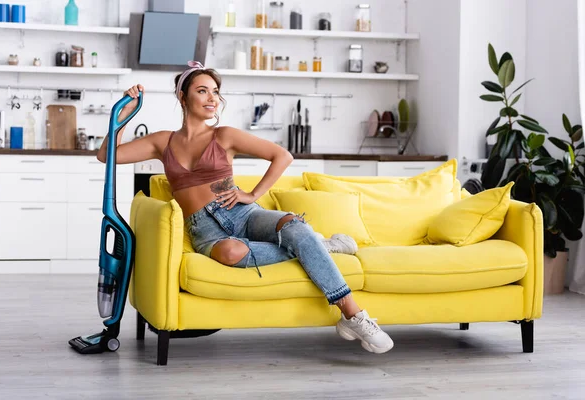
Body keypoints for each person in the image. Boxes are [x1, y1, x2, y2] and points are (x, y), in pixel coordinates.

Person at [96, 61, 394, 354]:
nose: (212, 98)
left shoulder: (224, 135)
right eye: (202, 91)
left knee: (293, 226)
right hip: (206, 229)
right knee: (232, 252)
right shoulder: (163, 141)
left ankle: (352, 314)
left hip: (244, 214)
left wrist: (252, 194)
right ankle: (318, 246)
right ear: (182, 96)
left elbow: (282, 156)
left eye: (215, 91)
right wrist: (121, 116)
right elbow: (106, 155)